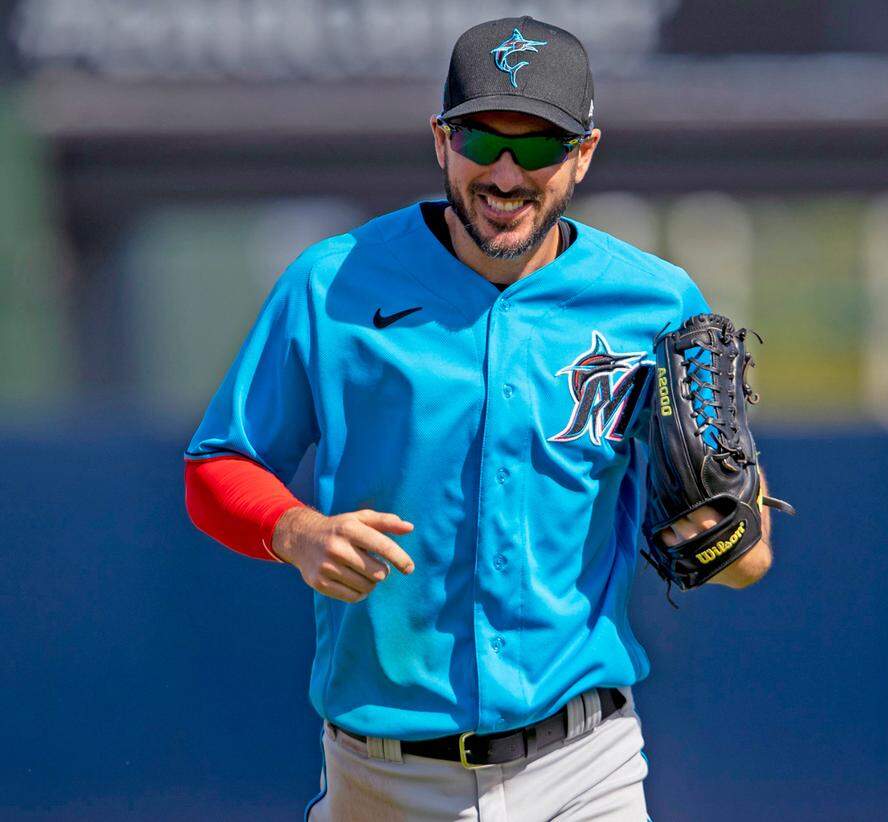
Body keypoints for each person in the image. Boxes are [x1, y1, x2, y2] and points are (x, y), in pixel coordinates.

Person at [184, 15, 777, 821]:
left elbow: (745, 551)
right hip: (384, 779)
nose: (505, 172)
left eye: (538, 146)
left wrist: (727, 534)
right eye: (481, 140)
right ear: (440, 141)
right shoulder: (334, 285)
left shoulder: (652, 301)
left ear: (584, 155)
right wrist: (295, 532)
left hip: (585, 765)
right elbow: (217, 465)